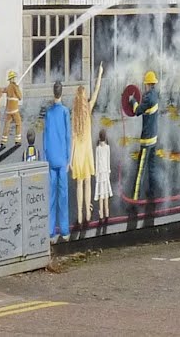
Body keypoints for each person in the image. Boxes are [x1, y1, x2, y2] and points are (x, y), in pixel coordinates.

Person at [70, 64, 104, 226]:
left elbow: (72, 138)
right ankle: (89, 214)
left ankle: (79, 213)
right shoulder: (88, 108)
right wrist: (100, 74)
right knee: (87, 182)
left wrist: (70, 159)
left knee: (79, 184)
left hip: (77, 152)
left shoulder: (74, 115)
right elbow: (96, 91)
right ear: (84, 98)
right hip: (87, 152)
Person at [43, 81, 72, 241]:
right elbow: (68, 136)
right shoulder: (65, 112)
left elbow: (45, 137)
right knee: (63, 196)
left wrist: (45, 158)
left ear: (53, 92)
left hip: (51, 158)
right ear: (62, 93)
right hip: (62, 158)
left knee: (51, 196)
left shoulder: (48, 113)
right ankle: (65, 231)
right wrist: (68, 159)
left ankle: (51, 232)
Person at [128, 71, 160, 202]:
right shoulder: (155, 95)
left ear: (147, 84)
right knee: (152, 168)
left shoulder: (148, 98)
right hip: (154, 138)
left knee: (140, 170)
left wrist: (132, 100)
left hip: (146, 140)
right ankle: (152, 193)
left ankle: (135, 199)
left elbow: (137, 111)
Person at [94, 128, 112, 220]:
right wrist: (108, 171)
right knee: (105, 195)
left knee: (101, 194)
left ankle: (101, 213)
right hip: (105, 172)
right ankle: (107, 212)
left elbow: (97, 162)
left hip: (100, 173)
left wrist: (96, 173)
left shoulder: (98, 148)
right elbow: (108, 160)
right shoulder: (107, 147)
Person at [2, 70, 23, 145]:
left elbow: (3, 90)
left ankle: (3, 141)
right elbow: (20, 97)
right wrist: (17, 88)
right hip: (14, 109)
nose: (14, 79)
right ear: (11, 79)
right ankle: (17, 140)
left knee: (7, 124)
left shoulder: (8, 87)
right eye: (13, 78)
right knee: (18, 123)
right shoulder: (14, 86)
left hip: (8, 109)